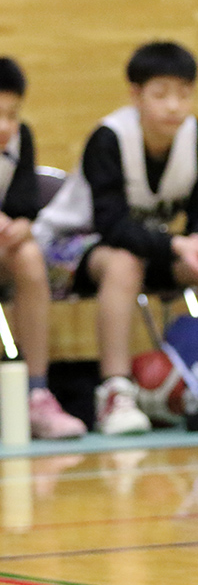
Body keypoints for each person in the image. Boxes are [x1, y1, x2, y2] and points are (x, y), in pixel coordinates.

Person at [32, 41, 198, 435]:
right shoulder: (108, 139)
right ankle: (115, 393)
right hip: (66, 250)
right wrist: (178, 245)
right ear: (135, 95)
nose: (174, 105)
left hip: (143, 246)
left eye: (184, 94)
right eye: (161, 94)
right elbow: (111, 226)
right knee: (124, 262)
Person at [0, 57, 86, 439]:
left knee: (31, 256)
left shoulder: (22, 140)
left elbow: (24, 206)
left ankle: (36, 394)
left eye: (12, 114)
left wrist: (21, 225)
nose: (6, 126)